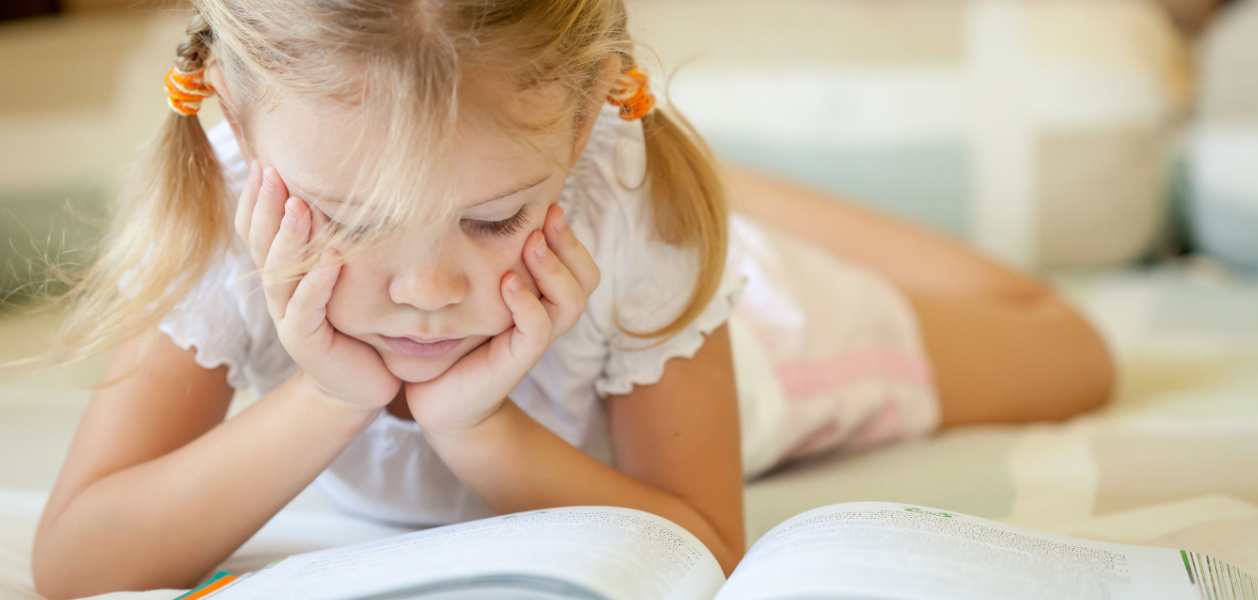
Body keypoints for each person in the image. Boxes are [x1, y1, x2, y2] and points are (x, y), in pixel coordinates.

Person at [29, 1, 1114, 597]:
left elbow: (705, 546)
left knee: (1062, 343)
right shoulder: (220, 205)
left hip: (766, 338)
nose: (422, 294)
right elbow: (78, 560)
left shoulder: (644, 219)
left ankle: (745, 210)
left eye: (494, 216)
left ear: (593, 115)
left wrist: (477, 427)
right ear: (233, 112)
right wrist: (326, 395)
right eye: (349, 219)